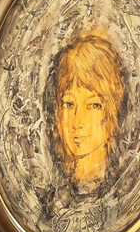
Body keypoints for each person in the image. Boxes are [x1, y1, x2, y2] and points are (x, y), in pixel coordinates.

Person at [52, 30, 125, 191]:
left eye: (93, 106)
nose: (77, 122)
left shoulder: (122, 189)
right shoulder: (51, 196)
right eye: (68, 104)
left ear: (112, 109)